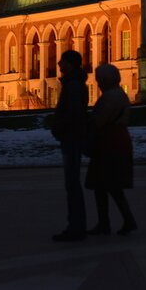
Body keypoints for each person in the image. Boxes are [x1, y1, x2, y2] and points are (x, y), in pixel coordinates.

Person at [84, 64, 137, 236]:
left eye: (99, 79)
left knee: (104, 185)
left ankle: (107, 222)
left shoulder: (110, 97)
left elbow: (99, 120)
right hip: (118, 141)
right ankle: (124, 220)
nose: (98, 83)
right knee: (112, 186)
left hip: (109, 143)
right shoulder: (119, 94)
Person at [50, 49, 89, 242]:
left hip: (71, 138)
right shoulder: (74, 83)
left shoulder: (73, 85)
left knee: (72, 184)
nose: (58, 64)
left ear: (70, 64)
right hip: (72, 137)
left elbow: (73, 114)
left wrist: (59, 127)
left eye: (62, 61)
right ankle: (76, 224)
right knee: (72, 184)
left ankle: (76, 226)